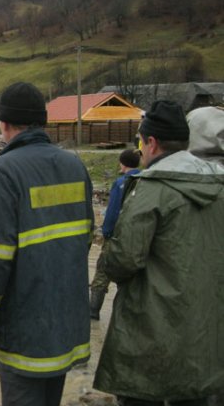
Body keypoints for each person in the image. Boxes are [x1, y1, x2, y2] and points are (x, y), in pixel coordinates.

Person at [0, 82, 94, 406]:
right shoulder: (74, 166)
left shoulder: (6, 171)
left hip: (24, 331)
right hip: (65, 321)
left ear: (3, 124)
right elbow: (84, 238)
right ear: (42, 122)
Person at [93, 100, 224, 405]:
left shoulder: (151, 188)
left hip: (152, 331)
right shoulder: (218, 186)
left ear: (151, 142)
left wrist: (106, 263)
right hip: (208, 336)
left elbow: (124, 259)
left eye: (140, 141)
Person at [89, 149, 140, 320]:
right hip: (136, 236)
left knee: (103, 272)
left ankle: (93, 311)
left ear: (122, 163)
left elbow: (112, 211)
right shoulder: (145, 180)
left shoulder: (120, 183)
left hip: (116, 234)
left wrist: (106, 232)